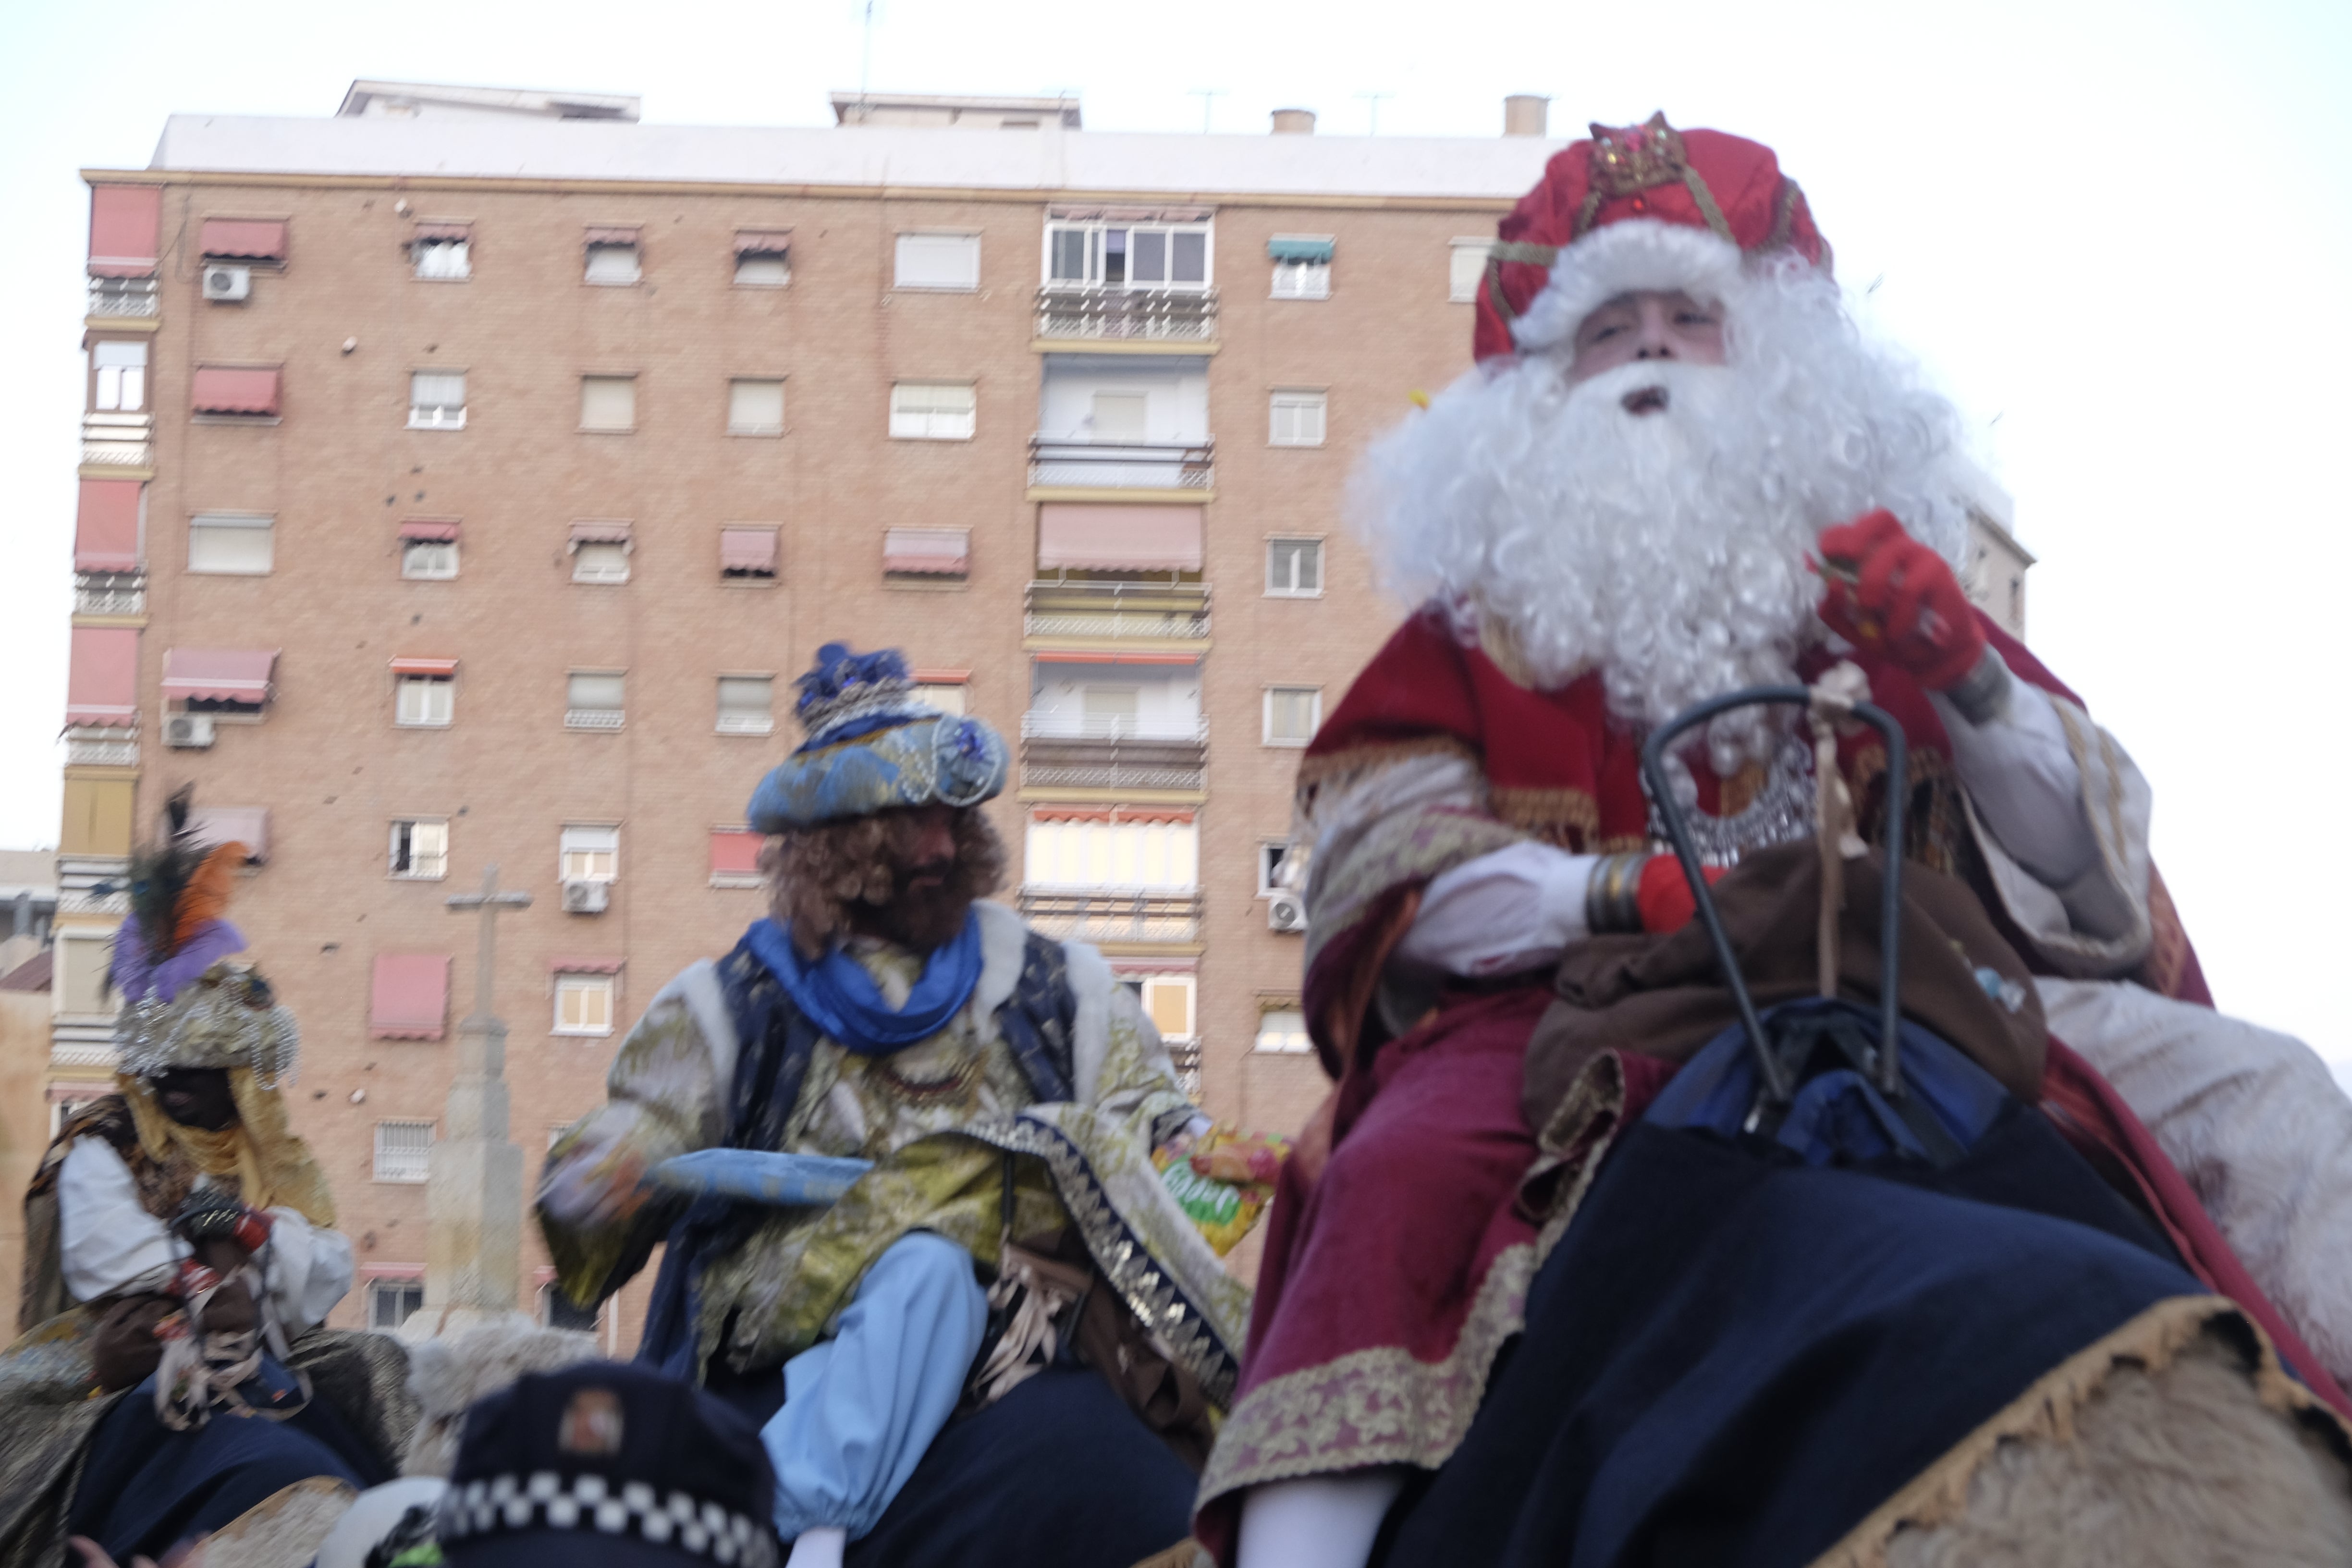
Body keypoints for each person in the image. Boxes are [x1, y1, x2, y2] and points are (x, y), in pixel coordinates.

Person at [1196, 114, 2352, 1564]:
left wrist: (1967, 681)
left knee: (2269, 1087)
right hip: (1577, 1006)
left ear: (1776, 361)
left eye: (1695, 317)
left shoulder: (1875, 581)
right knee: (1397, 1171)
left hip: (1902, 970)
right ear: (1549, 380)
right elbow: (1395, 887)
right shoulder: (1474, 635)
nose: (1656, 358)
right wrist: (1626, 892)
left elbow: (2086, 876)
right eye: (1612, 328)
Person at [538, 644, 1271, 1568]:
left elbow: (1150, 1121)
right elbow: (648, 1122)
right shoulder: (729, 1004)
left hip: (1018, 1352)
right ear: (836, 846)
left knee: (1140, 1493)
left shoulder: (1061, 987)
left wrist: (1207, 1157)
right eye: (906, 825)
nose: (938, 848)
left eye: (952, 822)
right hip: (786, 1356)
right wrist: (601, 1169)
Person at [3, 791, 410, 1565]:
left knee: (383, 1374)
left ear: (243, 1080)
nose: (178, 1085)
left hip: (270, 1350)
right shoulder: (109, 1139)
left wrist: (237, 1229)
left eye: (202, 1070)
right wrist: (212, 1276)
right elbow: (106, 1253)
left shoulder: (272, 1157)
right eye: (168, 1070)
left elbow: (323, 1267)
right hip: (138, 1351)